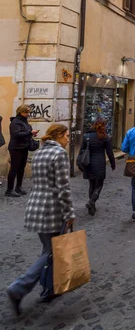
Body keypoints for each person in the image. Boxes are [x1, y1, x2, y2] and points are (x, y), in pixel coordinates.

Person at [6, 124, 75, 316]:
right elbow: (63, 188)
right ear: (59, 135)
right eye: (67, 136)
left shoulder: (39, 153)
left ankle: (49, 289)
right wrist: (69, 214)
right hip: (51, 209)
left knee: (49, 249)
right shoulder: (59, 154)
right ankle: (18, 288)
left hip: (36, 206)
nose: (68, 139)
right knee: (51, 251)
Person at [80, 119, 115, 216]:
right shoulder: (104, 137)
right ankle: (91, 202)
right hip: (99, 163)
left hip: (88, 163)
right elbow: (110, 153)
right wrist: (113, 164)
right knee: (99, 185)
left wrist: (80, 163)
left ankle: (92, 204)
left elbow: (81, 150)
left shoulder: (87, 136)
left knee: (91, 183)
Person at [6, 105, 39, 198]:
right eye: (26, 112)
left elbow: (25, 133)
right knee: (14, 169)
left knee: (21, 168)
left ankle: (18, 187)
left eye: (28, 112)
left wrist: (32, 133)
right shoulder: (15, 122)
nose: (28, 114)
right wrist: (30, 132)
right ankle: (9, 190)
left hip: (24, 147)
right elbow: (16, 134)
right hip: (16, 148)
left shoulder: (24, 122)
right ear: (21, 112)